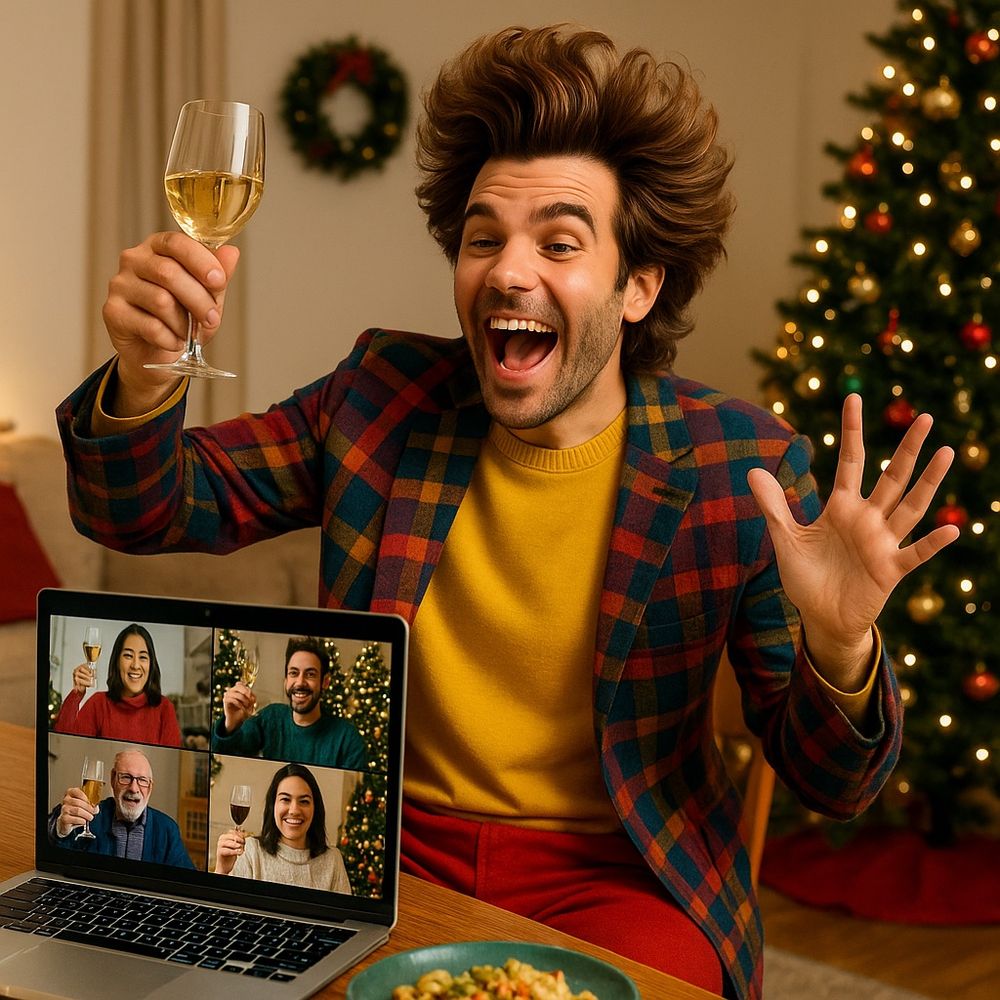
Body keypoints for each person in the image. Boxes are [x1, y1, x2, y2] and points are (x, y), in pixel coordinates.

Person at [55, 25, 959, 1000]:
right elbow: (143, 510)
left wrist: (839, 645)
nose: (507, 270)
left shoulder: (734, 465)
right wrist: (146, 379)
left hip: (618, 880)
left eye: (559, 242)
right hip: (378, 857)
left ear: (639, 283)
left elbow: (838, 787)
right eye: (483, 238)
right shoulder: (379, 394)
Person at [212, 636, 366, 769]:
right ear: (286, 680)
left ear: (325, 682)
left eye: (310, 674)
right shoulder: (269, 717)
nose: (300, 682)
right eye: (293, 673)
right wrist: (230, 724)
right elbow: (226, 755)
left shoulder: (348, 739)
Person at [214, 762, 352, 893]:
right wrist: (221, 871)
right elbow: (227, 911)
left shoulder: (333, 860)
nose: (294, 810)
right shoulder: (250, 851)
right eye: (285, 799)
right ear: (272, 805)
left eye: (304, 801)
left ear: (315, 808)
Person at [48, 748, 195, 868]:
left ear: (150, 788)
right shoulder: (87, 813)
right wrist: (58, 830)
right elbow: (50, 852)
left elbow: (187, 881)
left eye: (142, 780)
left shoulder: (167, 829)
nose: (133, 788)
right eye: (125, 777)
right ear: (113, 780)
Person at [53, 623, 182, 748]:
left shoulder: (165, 709)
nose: (135, 665)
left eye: (143, 657)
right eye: (128, 655)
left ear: (151, 664)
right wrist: (77, 694)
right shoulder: (99, 703)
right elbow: (62, 745)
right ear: (117, 661)